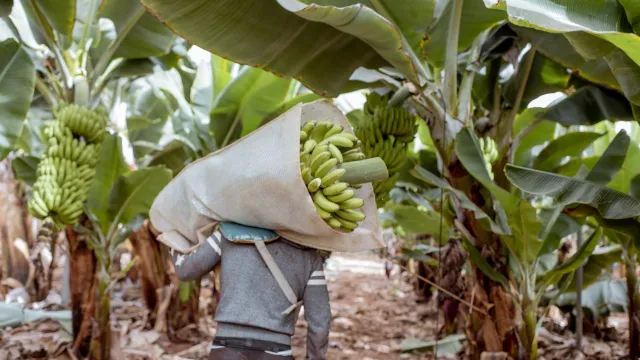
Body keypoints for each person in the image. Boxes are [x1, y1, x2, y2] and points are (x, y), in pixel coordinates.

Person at [170, 221, 331, 360]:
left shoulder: (227, 235)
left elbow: (185, 271)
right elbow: (320, 323)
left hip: (225, 350)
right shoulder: (309, 257)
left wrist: (172, 237)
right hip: (276, 352)